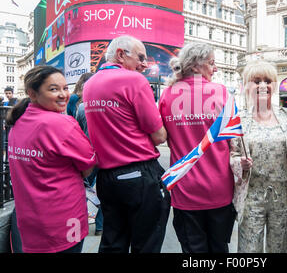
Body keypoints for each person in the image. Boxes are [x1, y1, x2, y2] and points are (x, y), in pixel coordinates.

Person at [83, 35, 170, 253]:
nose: (144, 64)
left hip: (106, 178)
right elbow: (159, 136)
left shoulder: (90, 83)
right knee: (147, 243)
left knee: (113, 242)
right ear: (121, 54)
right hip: (139, 175)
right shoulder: (134, 80)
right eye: (140, 57)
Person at [6, 66, 96, 253]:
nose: (63, 94)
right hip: (63, 222)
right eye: (53, 89)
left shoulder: (17, 121)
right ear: (32, 93)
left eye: (65, 88)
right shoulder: (61, 123)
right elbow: (88, 167)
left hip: (29, 223)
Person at [158, 42, 236, 253]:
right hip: (220, 189)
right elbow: (235, 142)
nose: (216, 68)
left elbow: (159, 136)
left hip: (185, 190)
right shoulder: (222, 93)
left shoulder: (167, 95)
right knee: (220, 248)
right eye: (211, 63)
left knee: (193, 252)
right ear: (195, 66)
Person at [230, 61, 287, 253]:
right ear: (246, 86)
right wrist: (239, 163)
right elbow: (232, 154)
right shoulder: (239, 120)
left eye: (268, 81)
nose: (262, 86)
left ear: (274, 85)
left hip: (283, 199)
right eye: (256, 81)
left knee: (279, 249)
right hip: (251, 197)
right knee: (249, 250)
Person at [74, 73, 103, 235]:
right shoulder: (110, 105)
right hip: (106, 156)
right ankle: (100, 226)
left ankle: (79, 221)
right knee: (103, 191)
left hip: (88, 156)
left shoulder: (82, 107)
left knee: (82, 189)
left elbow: (77, 131)